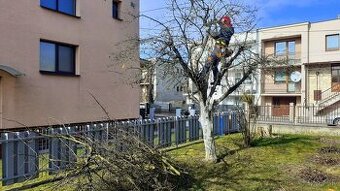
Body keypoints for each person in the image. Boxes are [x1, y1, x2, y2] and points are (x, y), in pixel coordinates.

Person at [206, 16, 234, 85]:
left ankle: (201, 76)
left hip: (220, 47)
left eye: (223, 22)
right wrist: (210, 30)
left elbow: (217, 34)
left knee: (209, 60)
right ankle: (216, 80)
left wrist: (209, 29)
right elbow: (216, 36)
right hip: (220, 49)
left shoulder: (228, 29)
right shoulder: (224, 30)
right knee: (214, 65)